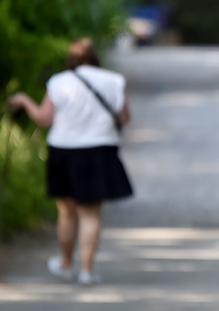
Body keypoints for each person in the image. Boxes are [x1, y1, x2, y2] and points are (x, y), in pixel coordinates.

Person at [8, 38, 133, 285]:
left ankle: (66, 263)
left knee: (66, 212)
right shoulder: (113, 81)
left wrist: (23, 101)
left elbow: (44, 119)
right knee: (91, 213)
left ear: (71, 60)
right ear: (94, 58)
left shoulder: (58, 82)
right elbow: (125, 117)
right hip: (100, 151)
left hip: (64, 152)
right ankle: (87, 270)